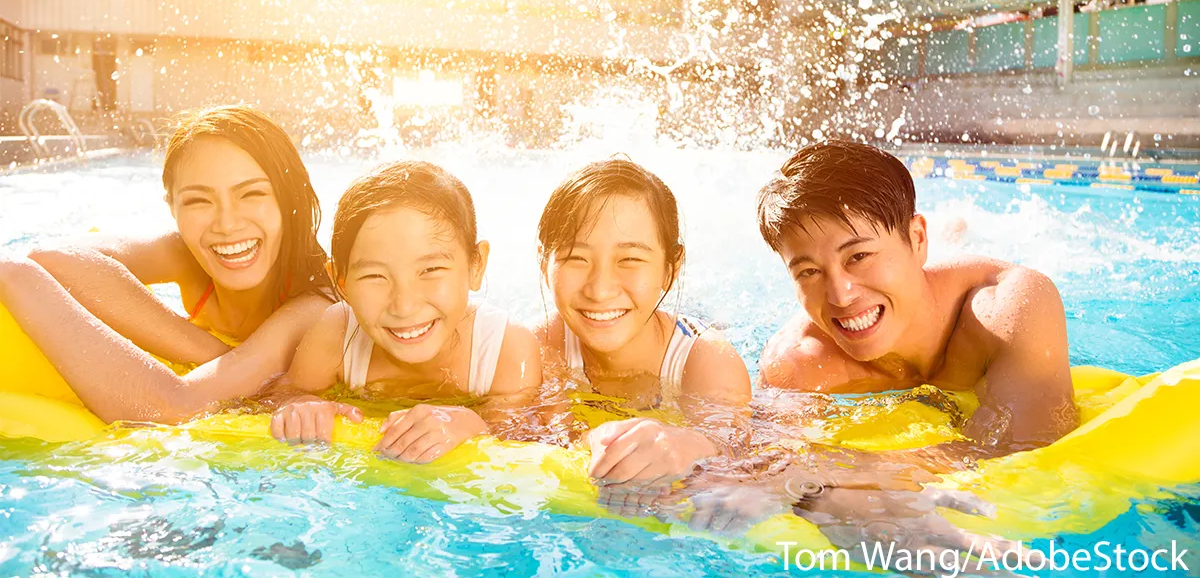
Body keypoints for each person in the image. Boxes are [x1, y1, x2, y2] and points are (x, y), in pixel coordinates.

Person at [0, 105, 335, 423]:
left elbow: (172, 408)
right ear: (172, 207)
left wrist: (14, 274)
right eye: (198, 200)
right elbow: (53, 257)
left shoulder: (316, 308)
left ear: (290, 200)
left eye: (252, 194)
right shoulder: (187, 255)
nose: (227, 223)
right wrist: (217, 353)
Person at [755, 139, 1076, 455]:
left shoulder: (1010, 308)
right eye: (809, 272)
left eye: (859, 256)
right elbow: (766, 470)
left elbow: (1029, 449)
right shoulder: (796, 366)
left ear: (918, 238)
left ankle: (953, 231)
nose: (840, 296)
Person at [269, 160, 542, 463]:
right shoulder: (335, 332)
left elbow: (526, 438)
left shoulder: (505, 349)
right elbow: (284, 394)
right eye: (374, 276)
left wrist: (476, 424)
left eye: (431, 270)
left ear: (476, 265)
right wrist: (302, 405)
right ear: (341, 283)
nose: (404, 305)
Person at [534, 158, 752, 515]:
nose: (600, 290)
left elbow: (733, 453)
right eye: (576, 258)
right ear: (545, 262)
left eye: (631, 260)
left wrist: (692, 445)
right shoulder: (538, 348)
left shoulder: (708, 361)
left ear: (670, 269)